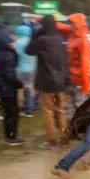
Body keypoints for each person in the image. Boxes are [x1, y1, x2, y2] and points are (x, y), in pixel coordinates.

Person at [26, 16, 69, 149]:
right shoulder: (60, 39)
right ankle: (64, 138)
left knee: (48, 111)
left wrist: (35, 35)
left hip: (47, 81)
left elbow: (28, 50)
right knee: (61, 111)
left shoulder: (42, 40)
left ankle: (52, 141)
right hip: (60, 81)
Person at [0, 22, 25, 145]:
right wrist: (20, 84)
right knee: (12, 112)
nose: (13, 42)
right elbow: (9, 75)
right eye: (10, 39)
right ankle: (11, 137)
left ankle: (9, 135)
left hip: (1, 87)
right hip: (8, 88)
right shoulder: (8, 56)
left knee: (7, 112)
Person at [15, 25, 38, 117]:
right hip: (31, 69)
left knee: (15, 89)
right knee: (28, 89)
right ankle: (29, 109)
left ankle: (17, 107)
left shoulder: (17, 42)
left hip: (19, 69)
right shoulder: (32, 42)